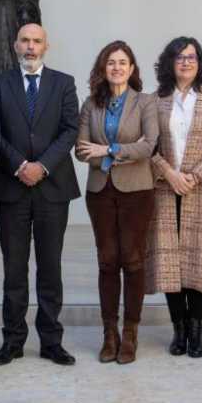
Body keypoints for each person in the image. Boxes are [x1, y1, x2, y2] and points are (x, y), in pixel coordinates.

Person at [0, 23, 80, 368]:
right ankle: (12, 341)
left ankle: (51, 342)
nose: (30, 46)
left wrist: (41, 166)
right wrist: (20, 165)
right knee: (13, 270)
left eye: (36, 41)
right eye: (24, 41)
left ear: (46, 46)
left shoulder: (64, 83)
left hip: (52, 188)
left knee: (50, 268)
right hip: (11, 187)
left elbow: (70, 129)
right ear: (15, 45)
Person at [145, 37, 202, 359]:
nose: (186, 62)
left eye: (192, 57)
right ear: (169, 62)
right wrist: (169, 173)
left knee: (198, 260)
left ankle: (196, 329)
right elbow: (148, 145)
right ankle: (178, 329)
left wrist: (195, 176)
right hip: (165, 189)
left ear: (200, 62)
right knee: (170, 261)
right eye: (180, 57)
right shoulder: (155, 101)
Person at [75, 40, 158, 365]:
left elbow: (149, 146)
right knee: (107, 261)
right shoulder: (90, 103)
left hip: (138, 191)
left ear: (132, 68)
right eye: (111, 62)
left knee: (133, 260)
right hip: (100, 192)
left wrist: (108, 150)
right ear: (103, 68)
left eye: (123, 62)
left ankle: (131, 333)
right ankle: (110, 334)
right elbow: (81, 150)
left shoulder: (145, 103)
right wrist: (125, 149)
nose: (117, 68)